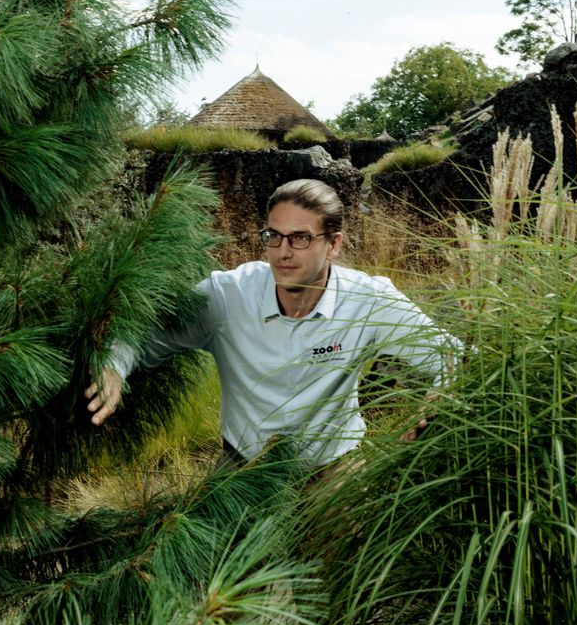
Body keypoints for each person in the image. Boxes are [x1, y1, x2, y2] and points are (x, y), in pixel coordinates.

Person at [85, 177, 457, 467]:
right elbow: (140, 333)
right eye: (274, 236)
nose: (283, 252)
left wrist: (436, 398)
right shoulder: (226, 295)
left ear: (334, 244)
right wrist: (114, 367)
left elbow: (450, 355)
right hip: (243, 467)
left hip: (334, 467)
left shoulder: (369, 298)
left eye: (300, 238)